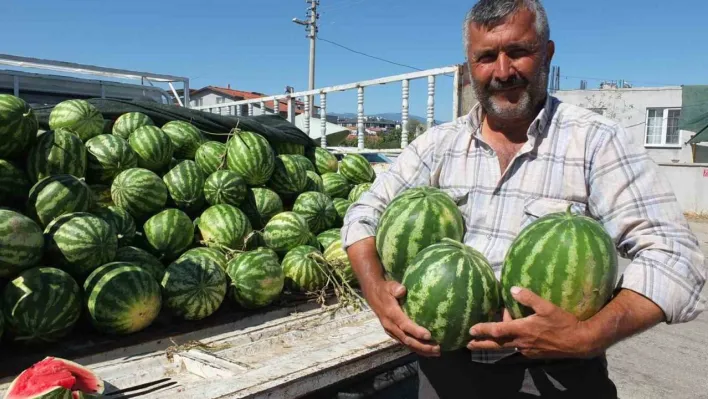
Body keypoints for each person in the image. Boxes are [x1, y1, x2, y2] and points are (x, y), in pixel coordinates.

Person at [340, 0, 707, 398]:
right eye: (486, 57)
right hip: (444, 371)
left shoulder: (596, 141)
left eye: (518, 52)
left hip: (557, 377)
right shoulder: (437, 145)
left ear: (546, 52)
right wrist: (376, 291)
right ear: (468, 65)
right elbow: (364, 213)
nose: (502, 71)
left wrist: (588, 336)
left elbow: (676, 261)